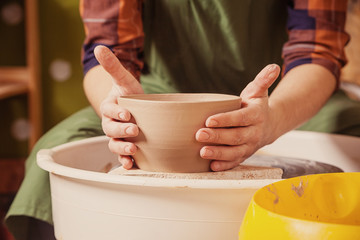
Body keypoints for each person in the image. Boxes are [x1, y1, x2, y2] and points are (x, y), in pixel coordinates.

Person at [6, 0, 359, 239]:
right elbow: (108, 53)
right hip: (154, 91)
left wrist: (273, 119)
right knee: (51, 156)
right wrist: (116, 105)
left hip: (280, 91)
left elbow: (316, 50)